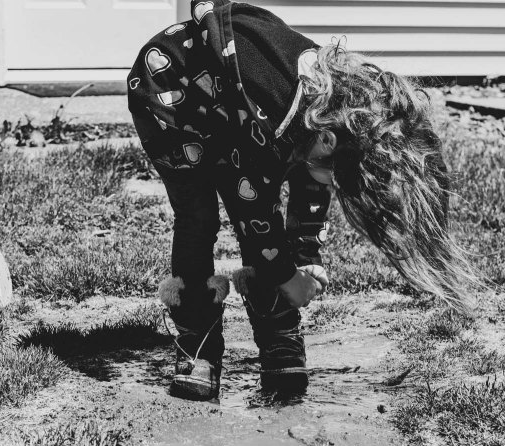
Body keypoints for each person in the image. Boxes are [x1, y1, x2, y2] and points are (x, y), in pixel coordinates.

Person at [127, 0, 475, 401]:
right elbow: (255, 215)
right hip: (171, 94)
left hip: (240, 110)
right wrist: (288, 278)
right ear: (327, 141)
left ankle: (279, 338)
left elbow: (313, 188)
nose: (333, 186)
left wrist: (306, 257)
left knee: (291, 180)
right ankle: (198, 345)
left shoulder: (332, 112)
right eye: (338, 178)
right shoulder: (282, 114)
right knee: (199, 216)